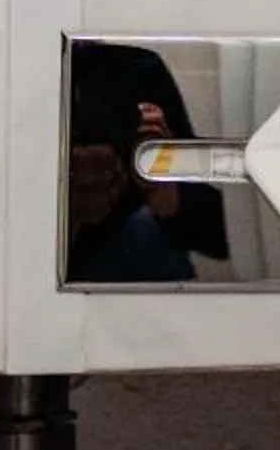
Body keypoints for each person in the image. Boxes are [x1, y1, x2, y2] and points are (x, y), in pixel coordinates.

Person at [64, 42, 229, 283]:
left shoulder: (137, 69)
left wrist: (167, 192)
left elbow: (221, 234)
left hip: (124, 246)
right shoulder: (134, 66)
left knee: (144, 233)